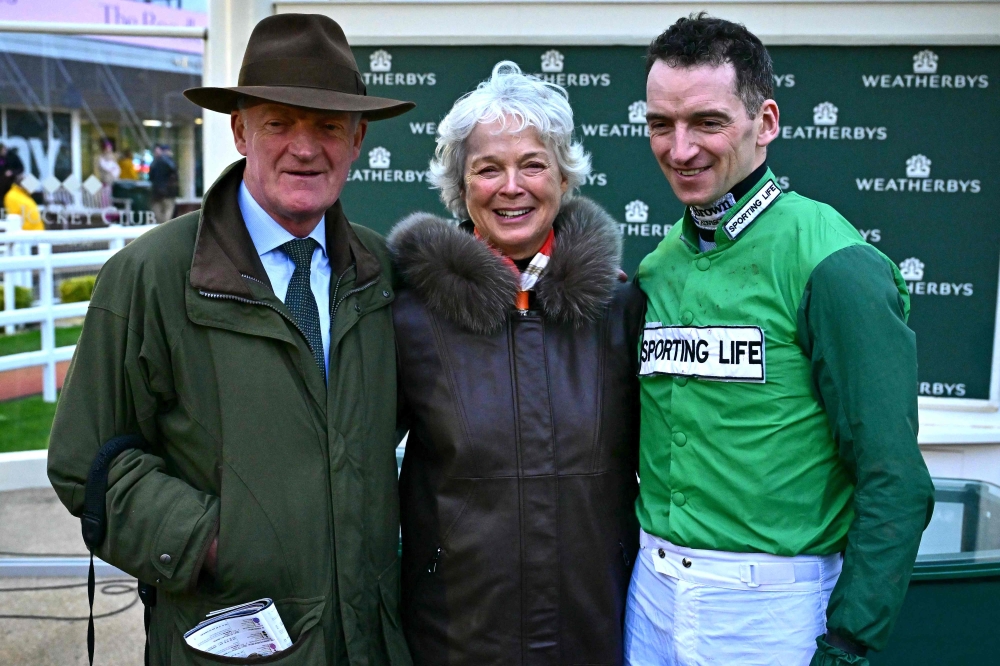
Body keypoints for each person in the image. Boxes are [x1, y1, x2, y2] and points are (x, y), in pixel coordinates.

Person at [47, 14, 415, 665]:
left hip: (369, 643)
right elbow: (87, 460)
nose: (305, 148)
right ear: (240, 129)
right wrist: (215, 541)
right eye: (279, 122)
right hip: (225, 643)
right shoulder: (150, 277)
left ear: (357, 140)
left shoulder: (382, 275)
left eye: (329, 126)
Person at [625, 14, 935, 666]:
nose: (679, 149)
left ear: (765, 122)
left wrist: (848, 644)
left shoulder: (832, 260)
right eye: (660, 124)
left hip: (772, 617)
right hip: (648, 600)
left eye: (707, 122)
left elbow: (895, 480)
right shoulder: (658, 267)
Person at [389, 61, 644, 666]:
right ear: (460, 185)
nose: (512, 185)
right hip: (456, 639)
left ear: (563, 176)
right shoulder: (408, 319)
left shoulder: (622, 308)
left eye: (533, 163)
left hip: (595, 634)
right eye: (487, 168)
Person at [149, 143, 179, 223]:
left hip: (156, 193)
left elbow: (150, 177)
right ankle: (165, 230)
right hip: (168, 193)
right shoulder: (170, 161)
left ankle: (161, 228)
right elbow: (175, 176)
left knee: (159, 214)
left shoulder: (154, 162)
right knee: (168, 212)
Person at [93, 138, 121, 208]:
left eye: (110, 149)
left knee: (111, 199)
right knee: (105, 200)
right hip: (105, 183)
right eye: (107, 149)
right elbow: (106, 167)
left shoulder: (112, 159)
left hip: (112, 182)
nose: (109, 151)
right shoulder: (101, 158)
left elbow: (117, 169)